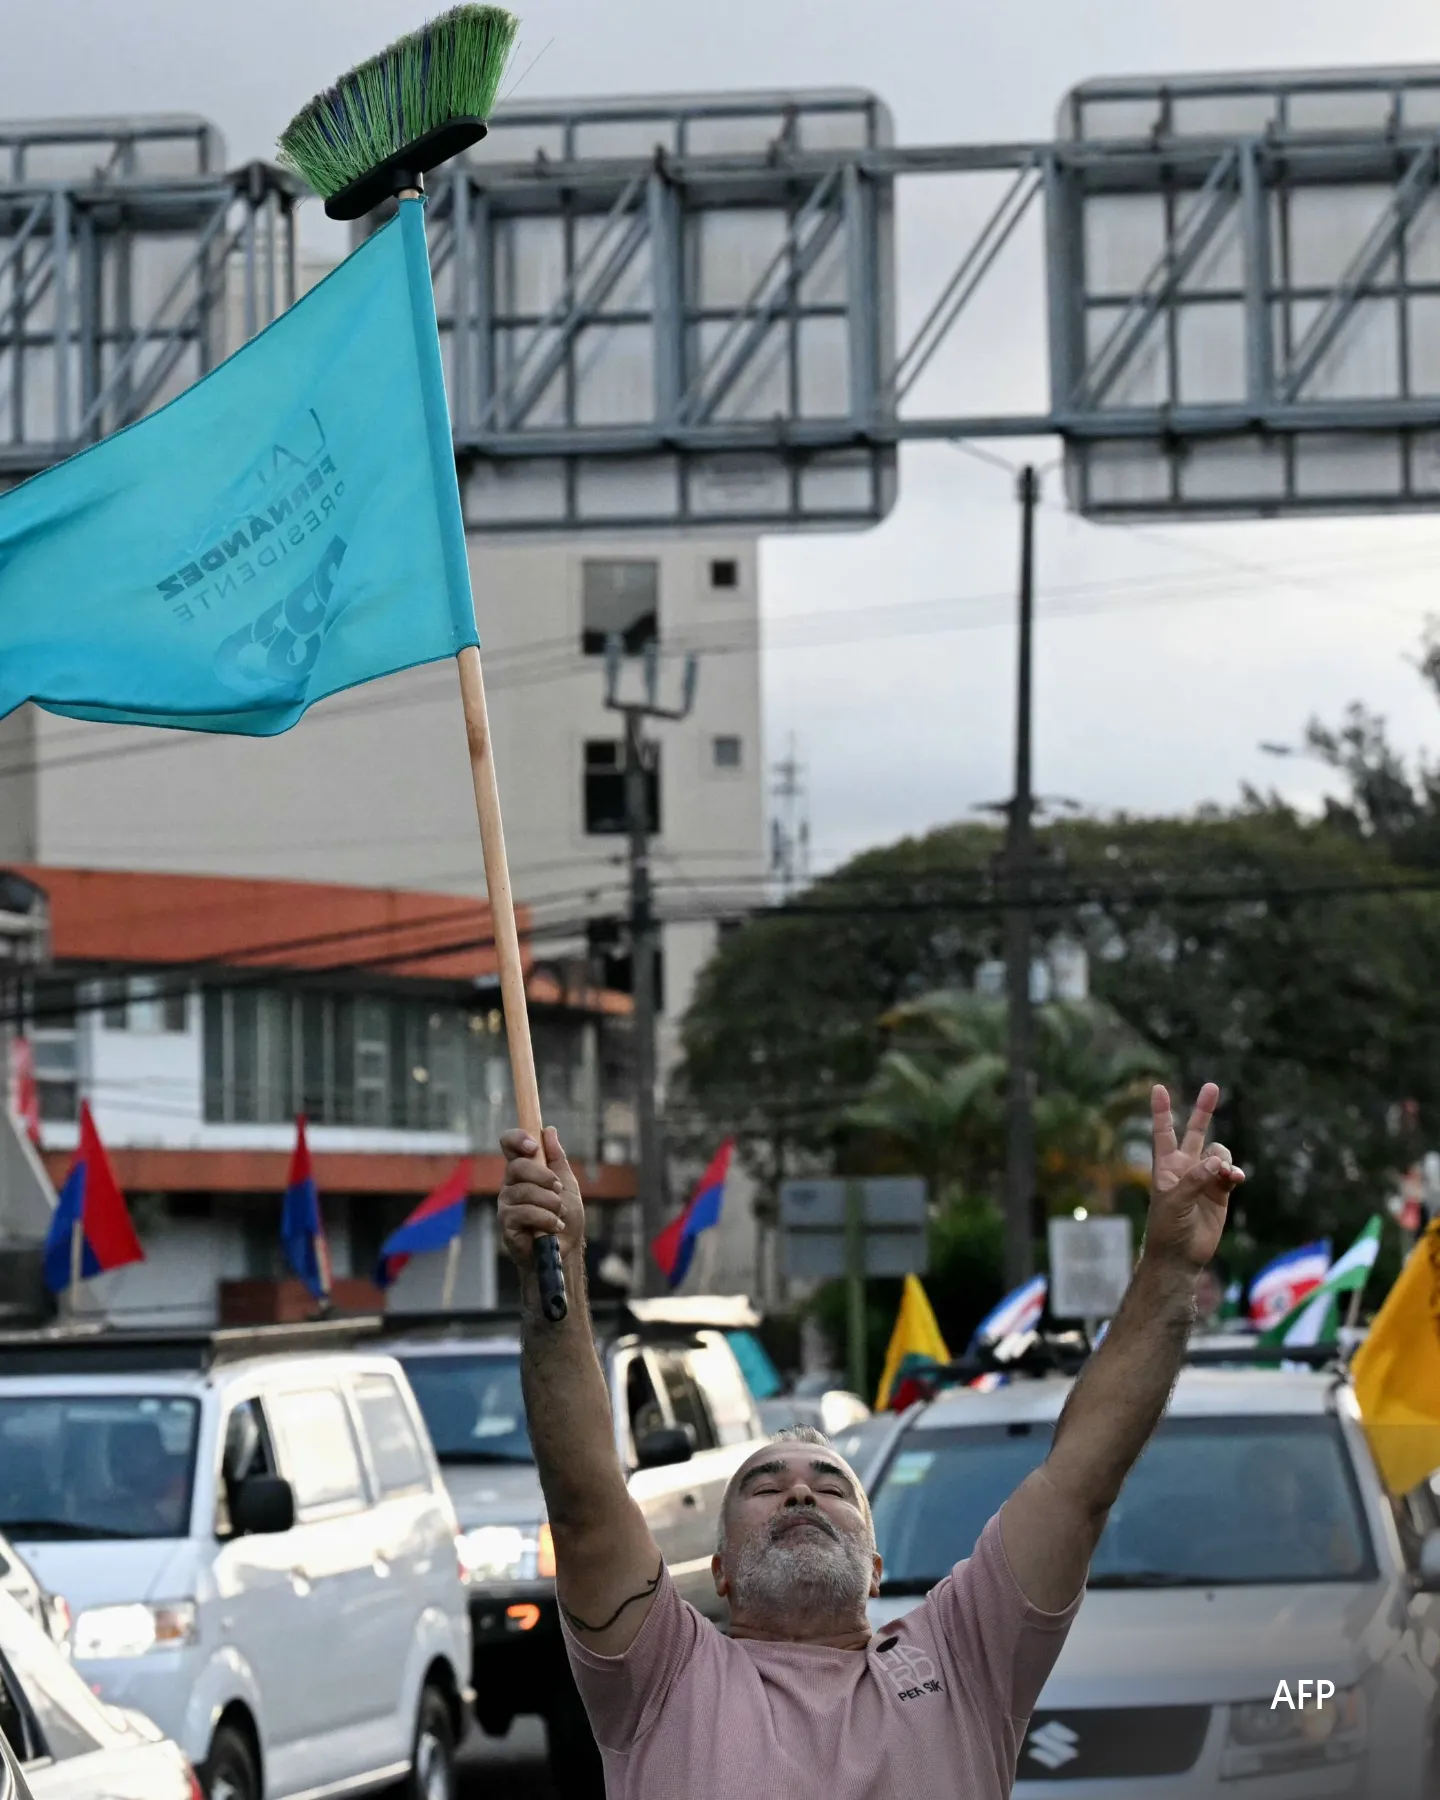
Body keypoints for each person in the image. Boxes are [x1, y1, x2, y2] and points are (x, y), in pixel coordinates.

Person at [497, 1081, 1243, 1800]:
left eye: (831, 1487)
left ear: (877, 1569)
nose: (798, 1490)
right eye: (764, 1485)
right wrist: (549, 1271)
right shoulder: (662, 1675)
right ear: (718, 1572)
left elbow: (1081, 1478)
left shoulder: (965, 1655)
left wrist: (1170, 1267)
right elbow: (586, 1502)